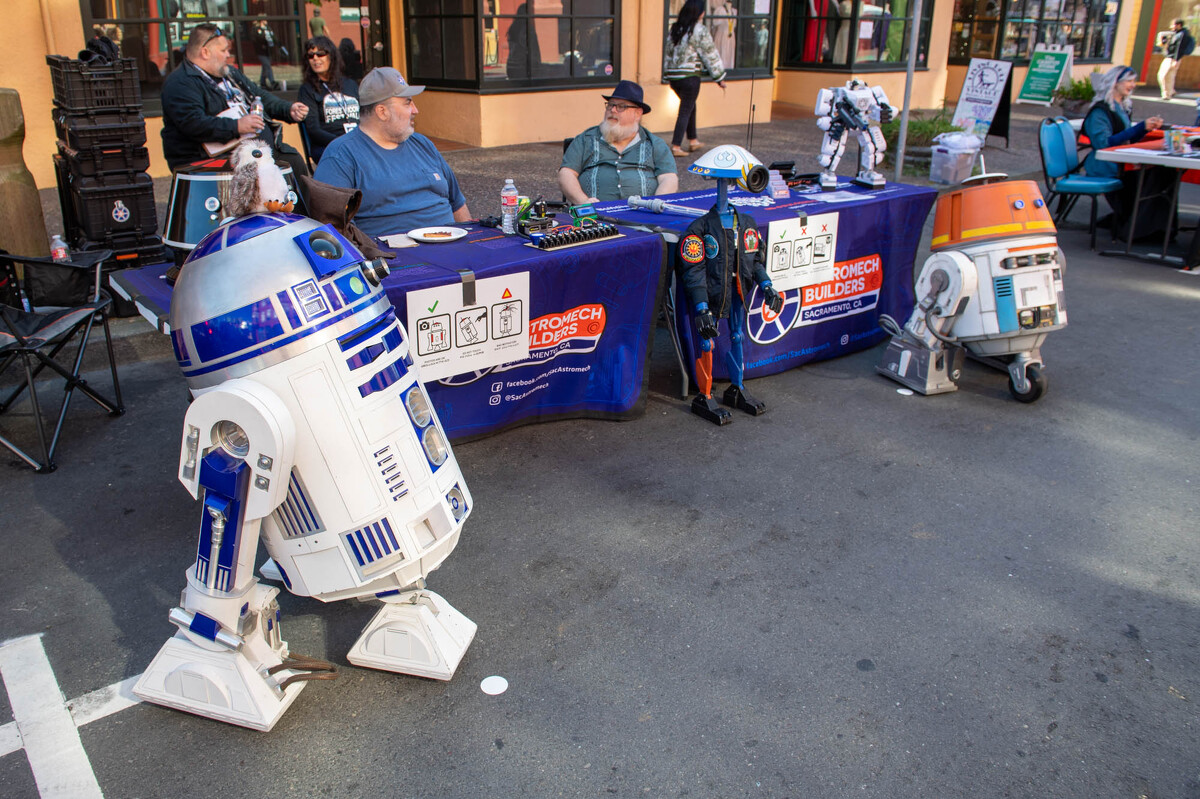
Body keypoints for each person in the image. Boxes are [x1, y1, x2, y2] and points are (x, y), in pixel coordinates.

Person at [313, 67, 470, 238]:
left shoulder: (423, 144)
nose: (415, 110)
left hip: (451, 248)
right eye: (408, 102)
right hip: (395, 258)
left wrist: (472, 243)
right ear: (382, 112)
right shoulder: (341, 156)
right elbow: (335, 232)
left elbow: (457, 203)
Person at [160, 23, 310, 176]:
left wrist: (288, 109)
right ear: (205, 52)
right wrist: (237, 126)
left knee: (293, 161)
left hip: (252, 151)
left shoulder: (229, 73)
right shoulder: (181, 82)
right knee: (266, 173)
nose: (228, 55)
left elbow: (259, 95)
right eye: (223, 50)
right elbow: (193, 123)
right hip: (210, 160)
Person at [1083, 65, 1171, 241]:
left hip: (1118, 163)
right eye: (1129, 81)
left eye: (1134, 81)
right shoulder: (1100, 111)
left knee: (1159, 173)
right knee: (1150, 177)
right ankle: (1138, 227)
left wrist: (1143, 130)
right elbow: (1104, 144)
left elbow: (1124, 139)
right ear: (1115, 82)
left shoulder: (1121, 107)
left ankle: (1144, 226)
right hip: (1104, 165)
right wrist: (1139, 128)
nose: (1132, 85)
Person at [559, 80, 678, 204]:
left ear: (638, 113)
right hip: (594, 218)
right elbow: (566, 174)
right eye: (610, 105)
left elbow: (668, 178)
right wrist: (583, 202)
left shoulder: (654, 144)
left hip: (642, 219)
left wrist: (654, 205)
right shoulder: (586, 139)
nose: (613, 110)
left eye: (621, 106)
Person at [664, 0, 727, 158]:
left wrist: (667, 74)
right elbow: (710, 54)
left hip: (674, 77)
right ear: (699, 13)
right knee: (685, 109)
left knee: (690, 106)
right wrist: (719, 77)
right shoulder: (699, 30)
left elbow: (668, 54)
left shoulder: (675, 29)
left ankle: (693, 140)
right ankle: (676, 145)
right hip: (690, 76)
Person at [297, 36, 360, 163]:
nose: (315, 58)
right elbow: (313, 130)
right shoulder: (308, 89)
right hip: (328, 146)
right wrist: (343, 143)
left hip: (357, 141)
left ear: (331, 56)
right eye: (311, 55)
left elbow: (366, 117)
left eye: (320, 54)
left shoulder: (350, 84)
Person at [1158, 18, 1195, 100]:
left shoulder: (1181, 35)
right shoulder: (1176, 33)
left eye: (1173, 25)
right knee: (1170, 76)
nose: (1171, 27)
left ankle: (1166, 93)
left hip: (1172, 58)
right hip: (1172, 57)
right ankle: (1170, 91)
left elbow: (1179, 48)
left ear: (1179, 25)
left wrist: (1176, 59)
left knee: (1162, 75)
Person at [506, 3, 540, 80]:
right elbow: (533, 50)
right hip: (524, 68)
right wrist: (537, 65)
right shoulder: (527, 29)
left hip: (511, 67)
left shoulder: (513, 29)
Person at [252, 18, 278, 91]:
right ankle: (272, 81)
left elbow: (273, 37)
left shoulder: (268, 28)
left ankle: (263, 82)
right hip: (261, 51)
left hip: (268, 50)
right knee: (267, 65)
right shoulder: (257, 29)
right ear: (261, 21)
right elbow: (256, 39)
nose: (266, 21)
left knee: (265, 67)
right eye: (265, 20)